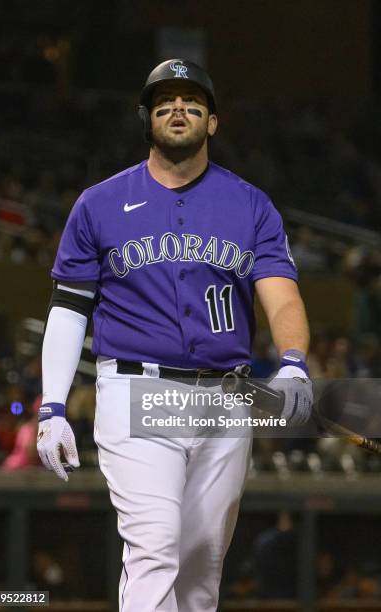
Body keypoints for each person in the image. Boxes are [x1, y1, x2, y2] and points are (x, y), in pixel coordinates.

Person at [36, 59, 312, 611]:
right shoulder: (99, 203)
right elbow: (69, 309)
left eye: (192, 102)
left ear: (213, 122)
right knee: (156, 546)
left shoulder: (251, 205)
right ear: (147, 120)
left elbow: (280, 293)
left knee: (201, 567)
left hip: (224, 399)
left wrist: (293, 362)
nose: (178, 109)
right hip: (138, 392)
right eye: (164, 102)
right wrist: (52, 406)